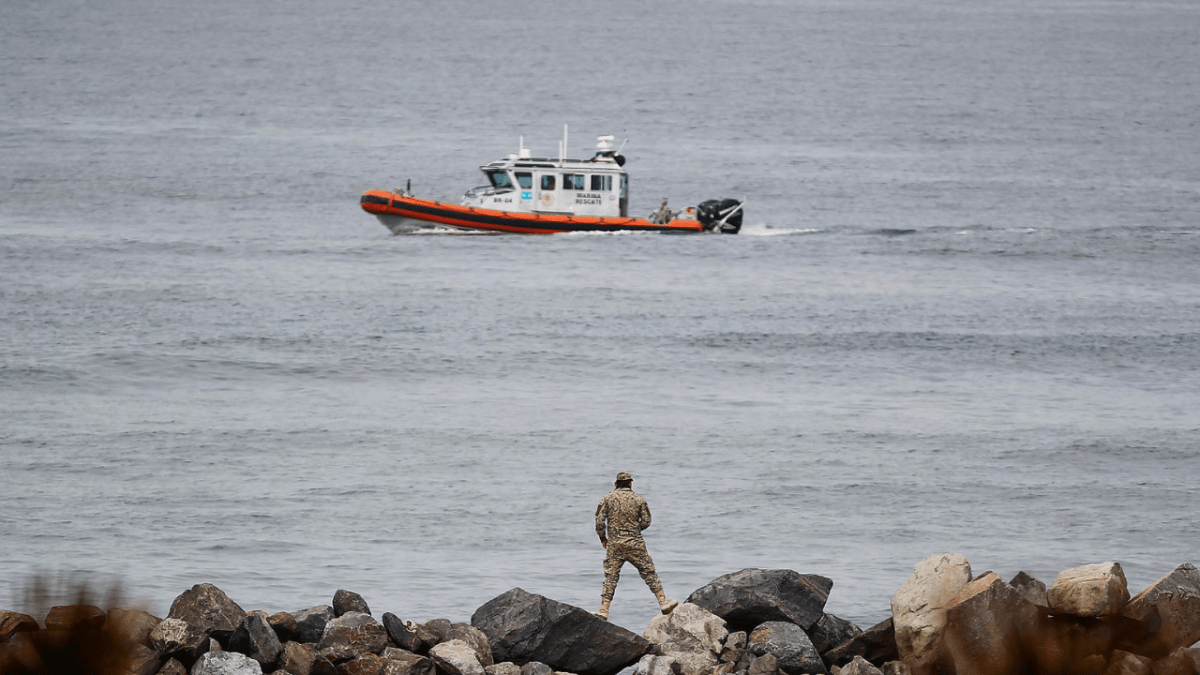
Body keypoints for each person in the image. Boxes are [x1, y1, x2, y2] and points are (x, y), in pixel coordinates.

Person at [593, 471, 678, 620]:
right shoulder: (639, 499)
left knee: (611, 577)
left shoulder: (607, 498)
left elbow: (599, 521)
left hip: (615, 544)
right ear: (630, 483)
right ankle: (663, 602)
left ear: (616, 484)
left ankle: (604, 609)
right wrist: (634, 530)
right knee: (649, 572)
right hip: (635, 543)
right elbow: (646, 521)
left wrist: (603, 538)